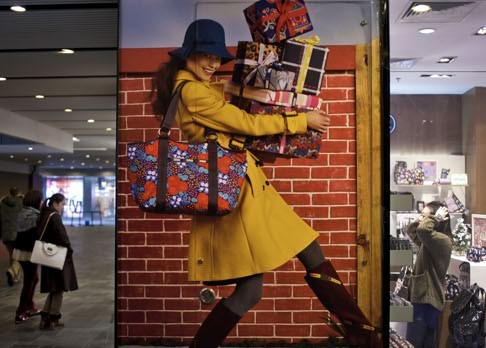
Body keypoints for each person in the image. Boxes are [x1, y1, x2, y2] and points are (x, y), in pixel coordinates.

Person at [150, 19, 381, 347]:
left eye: (218, 58)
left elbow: (230, 113)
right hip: (239, 194)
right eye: (207, 56)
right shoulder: (191, 91)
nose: (214, 63)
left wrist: (244, 87)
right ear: (189, 53)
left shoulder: (194, 88)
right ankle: (362, 333)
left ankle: (361, 331)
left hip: (244, 189)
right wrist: (301, 120)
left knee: (252, 290)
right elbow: (244, 122)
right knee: (304, 251)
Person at [405, 201, 453, 347]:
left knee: (414, 343)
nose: (421, 219)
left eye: (424, 216)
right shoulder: (431, 240)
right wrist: (423, 218)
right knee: (424, 342)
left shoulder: (441, 240)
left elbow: (423, 231)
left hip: (427, 299)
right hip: (424, 297)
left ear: (435, 220)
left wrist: (434, 218)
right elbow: (412, 231)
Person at [37, 193, 78, 330]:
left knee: (53, 288)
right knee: (59, 288)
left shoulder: (44, 214)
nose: (63, 207)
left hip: (46, 254)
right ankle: (53, 318)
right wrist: (69, 249)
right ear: (55, 203)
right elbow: (62, 236)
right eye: (62, 204)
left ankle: (45, 317)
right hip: (57, 254)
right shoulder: (54, 216)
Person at [12, 190, 44, 323]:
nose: (42, 202)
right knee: (29, 281)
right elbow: (34, 234)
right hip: (28, 251)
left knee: (34, 279)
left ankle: (29, 306)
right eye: (40, 200)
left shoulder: (23, 212)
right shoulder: (34, 215)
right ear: (36, 201)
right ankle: (20, 312)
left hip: (21, 250)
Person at [0, 187, 24, 286]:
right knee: (18, 256)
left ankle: (15, 277)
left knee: (12, 255)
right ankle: (12, 272)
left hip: (6, 234)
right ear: (18, 193)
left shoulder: (2, 203)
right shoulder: (22, 203)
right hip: (18, 234)